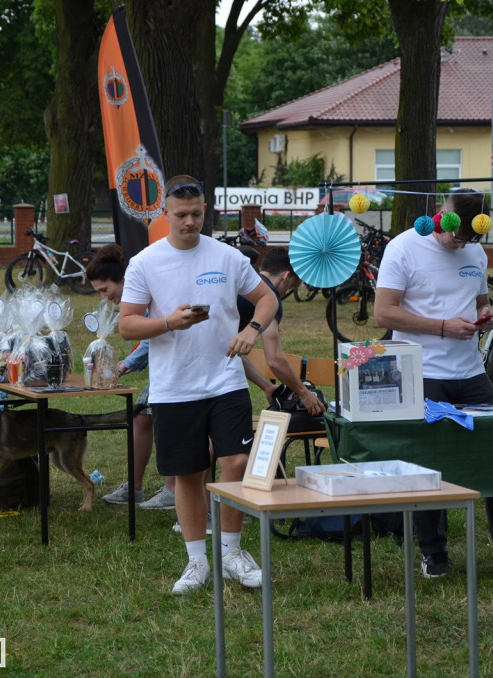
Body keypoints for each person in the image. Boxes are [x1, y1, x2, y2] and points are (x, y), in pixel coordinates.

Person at [374, 188, 493, 578]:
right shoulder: (404, 248)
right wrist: (440, 327)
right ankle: (434, 554)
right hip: (422, 373)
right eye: (455, 235)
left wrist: (484, 314)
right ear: (442, 212)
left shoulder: (474, 251)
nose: (459, 243)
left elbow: (477, 301)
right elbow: (383, 313)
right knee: (428, 464)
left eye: (470, 238)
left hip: (471, 372)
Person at [119, 175, 278, 595]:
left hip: (225, 380)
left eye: (196, 213)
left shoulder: (227, 257)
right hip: (174, 386)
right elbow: (127, 323)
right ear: (164, 213)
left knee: (236, 462)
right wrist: (168, 321)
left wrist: (252, 331)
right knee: (188, 474)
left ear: (205, 210)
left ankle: (231, 553)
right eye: (181, 215)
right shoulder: (145, 263)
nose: (189, 222)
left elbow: (268, 298)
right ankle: (196, 562)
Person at [85, 245, 174, 508]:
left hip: (174, 367)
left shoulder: (144, 291)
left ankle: (172, 489)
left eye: (105, 290)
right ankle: (135, 489)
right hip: (162, 365)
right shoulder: (134, 294)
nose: (104, 297)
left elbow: (153, 334)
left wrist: (124, 367)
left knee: (161, 419)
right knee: (141, 418)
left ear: (122, 279)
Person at [237, 247, 325, 416]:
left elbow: (232, 353)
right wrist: (304, 393)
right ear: (286, 276)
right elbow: (274, 359)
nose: (286, 292)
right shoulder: (268, 297)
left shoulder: (244, 283)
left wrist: (267, 386)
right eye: (292, 286)